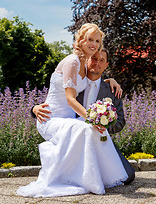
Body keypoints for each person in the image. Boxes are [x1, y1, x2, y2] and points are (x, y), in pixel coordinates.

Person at [17, 23, 128, 198]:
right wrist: (34, 108)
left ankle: (98, 176)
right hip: (52, 119)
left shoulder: (85, 65)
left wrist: (110, 80)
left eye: (97, 41)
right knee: (85, 127)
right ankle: (86, 181)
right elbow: (68, 99)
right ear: (81, 40)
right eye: (90, 39)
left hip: (70, 120)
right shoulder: (72, 61)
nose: (93, 43)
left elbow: (93, 78)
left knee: (127, 174)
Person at [32, 49, 135, 185]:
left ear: (106, 65)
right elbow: (55, 99)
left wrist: (101, 124)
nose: (97, 63)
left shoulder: (112, 90)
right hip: (72, 138)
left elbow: (120, 122)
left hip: (100, 139)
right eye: (93, 58)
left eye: (101, 60)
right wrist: (34, 109)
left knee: (127, 176)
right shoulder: (76, 83)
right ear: (86, 60)